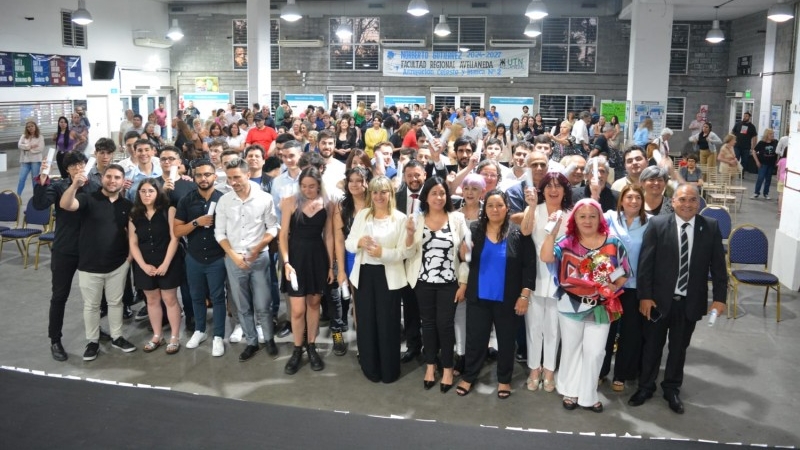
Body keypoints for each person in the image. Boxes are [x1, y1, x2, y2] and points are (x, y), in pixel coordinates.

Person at [629, 184, 727, 414]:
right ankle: (645, 386)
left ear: (699, 203)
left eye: (692, 200)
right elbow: (646, 266)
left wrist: (720, 298)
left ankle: (672, 388)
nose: (687, 204)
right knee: (652, 345)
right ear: (672, 202)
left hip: (689, 302)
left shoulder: (710, 227)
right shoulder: (657, 224)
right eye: (682, 199)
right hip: (658, 302)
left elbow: (719, 268)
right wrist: (645, 297)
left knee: (679, 348)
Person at [540, 198, 631, 412]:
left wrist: (610, 285)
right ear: (575, 219)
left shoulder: (613, 242)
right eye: (582, 216)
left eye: (592, 216)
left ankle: (588, 395)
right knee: (571, 349)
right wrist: (551, 232)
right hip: (570, 304)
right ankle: (570, 391)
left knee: (596, 351)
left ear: (600, 217)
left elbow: (624, 271)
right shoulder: (565, 241)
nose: (587, 220)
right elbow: (545, 257)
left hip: (601, 306)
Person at [455, 189, 535, 399]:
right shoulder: (475, 230)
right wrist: (463, 253)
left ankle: (504, 380)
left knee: (507, 341)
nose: (495, 209)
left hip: (507, 299)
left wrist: (524, 295)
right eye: (490, 205)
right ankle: (469, 376)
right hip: (479, 297)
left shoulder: (518, 233)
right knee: (475, 340)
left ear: (507, 207)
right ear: (485, 208)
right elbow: (466, 259)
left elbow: (529, 266)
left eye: (499, 205)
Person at [59, 164, 138, 361]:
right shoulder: (88, 199)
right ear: (102, 178)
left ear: (123, 181)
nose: (113, 181)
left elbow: (131, 234)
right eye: (109, 177)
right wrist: (74, 187)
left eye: (117, 177)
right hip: (89, 264)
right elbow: (66, 205)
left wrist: (128, 258)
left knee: (116, 303)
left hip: (118, 265)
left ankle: (117, 337)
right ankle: (92, 341)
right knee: (91, 306)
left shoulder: (127, 206)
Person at [34, 150, 101, 361]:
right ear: (67, 170)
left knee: (94, 297)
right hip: (65, 249)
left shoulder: (95, 185)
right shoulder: (59, 186)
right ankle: (55, 339)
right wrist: (42, 180)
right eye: (73, 166)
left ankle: (96, 333)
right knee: (59, 296)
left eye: (81, 164)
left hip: (89, 248)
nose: (78, 168)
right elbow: (39, 204)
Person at [404, 177, 469, 392]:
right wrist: (410, 235)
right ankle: (430, 366)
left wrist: (463, 283)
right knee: (428, 325)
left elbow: (466, 256)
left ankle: (448, 368)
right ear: (426, 197)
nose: (438, 197)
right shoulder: (416, 219)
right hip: (422, 282)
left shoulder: (457, 219)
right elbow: (408, 253)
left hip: (449, 283)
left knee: (445, 325)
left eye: (442, 193)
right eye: (434, 193)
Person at [345, 176, 410, 383]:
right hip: (364, 275)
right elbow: (348, 243)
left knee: (388, 323)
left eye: (383, 192)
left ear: (391, 194)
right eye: (374, 192)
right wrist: (359, 242)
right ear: (370, 194)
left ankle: (389, 370)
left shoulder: (400, 219)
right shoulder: (363, 215)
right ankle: (370, 367)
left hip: (388, 276)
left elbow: (403, 253)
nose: (379, 196)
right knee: (365, 323)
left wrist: (383, 253)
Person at [215, 158, 280, 362]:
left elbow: (273, 227)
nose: (233, 182)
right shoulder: (225, 201)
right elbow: (219, 233)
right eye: (229, 178)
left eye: (237, 177)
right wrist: (233, 255)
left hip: (259, 258)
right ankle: (251, 342)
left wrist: (258, 248)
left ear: (248, 175)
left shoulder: (264, 198)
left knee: (263, 304)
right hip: (233, 258)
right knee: (241, 305)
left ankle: (268, 339)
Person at [279, 167, 334, 374]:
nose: (307, 190)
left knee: (314, 305)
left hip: (317, 257)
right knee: (297, 309)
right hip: (295, 258)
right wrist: (286, 262)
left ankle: (311, 346)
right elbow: (283, 235)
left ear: (319, 185)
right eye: (304, 186)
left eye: (311, 186)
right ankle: (297, 348)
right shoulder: (290, 202)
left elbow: (328, 236)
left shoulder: (328, 204)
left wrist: (330, 266)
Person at [525, 171, 574, 393]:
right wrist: (533, 207)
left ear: (565, 190)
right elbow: (525, 231)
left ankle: (549, 370)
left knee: (554, 328)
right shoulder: (535, 210)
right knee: (534, 326)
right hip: (533, 275)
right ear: (542, 189)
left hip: (559, 277)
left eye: (558, 186)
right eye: (549, 186)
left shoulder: (571, 214)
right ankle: (534, 368)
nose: (553, 190)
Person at [174, 160, 227, 357]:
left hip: (217, 257)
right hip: (194, 256)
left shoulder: (224, 199)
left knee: (218, 297)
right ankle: (200, 331)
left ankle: (219, 336)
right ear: (194, 177)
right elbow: (177, 230)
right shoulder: (186, 200)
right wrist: (197, 222)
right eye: (199, 175)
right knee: (196, 296)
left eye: (207, 174)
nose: (203, 178)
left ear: (215, 176)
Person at [601, 185, 649, 392]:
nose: (633, 201)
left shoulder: (650, 223)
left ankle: (620, 374)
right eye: (629, 197)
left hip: (635, 287)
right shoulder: (610, 218)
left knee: (630, 333)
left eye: (638, 198)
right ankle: (601, 372)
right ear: (621, 200)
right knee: (606, 331)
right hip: (610, 285)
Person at [128, 179, 182, 355]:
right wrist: (143, 266)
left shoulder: (168, 210)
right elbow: (133, 243)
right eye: (143, 191)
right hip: (145, 263)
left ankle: (174, 337)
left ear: (158, 192)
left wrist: (166, 263)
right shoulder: (134, 214)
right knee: (152, 300)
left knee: (170, 299)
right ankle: (157, 335)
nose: (146, 195)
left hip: (168, 261)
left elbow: (175, 238)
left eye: (150, 191)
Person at [17, 120, 45, 197]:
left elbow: (40, 148)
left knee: (34, 180)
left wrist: (27, 148)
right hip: (25, 160)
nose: (30, 128)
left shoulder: (40, 137)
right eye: (28, 127)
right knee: (21, 178)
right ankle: (17, 196)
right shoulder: (23, 136)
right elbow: (19, 145)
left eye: (32, 126)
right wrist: (30, 146)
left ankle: (35, 197)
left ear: (35, 126)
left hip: (35, 160)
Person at [751, 129, 779, 200]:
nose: (772, 135)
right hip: (763, 163)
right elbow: (754, 151)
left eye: (773, 133)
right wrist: (757, 161)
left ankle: (766, 193)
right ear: (767, 135)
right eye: (770, 134)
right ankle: (756, 192)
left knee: (768, 179)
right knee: (760, 178)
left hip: (771, 164)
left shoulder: (775, 142)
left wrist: (777, 160)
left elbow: (778, 151)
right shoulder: (761, 143)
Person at [777, 147, 789, 217]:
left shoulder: (781, 160)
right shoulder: (793, 161)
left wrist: (778, 178)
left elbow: (778, 170)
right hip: (789, 180)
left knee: (780, 195)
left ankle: (779, 211)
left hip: (781, 179)